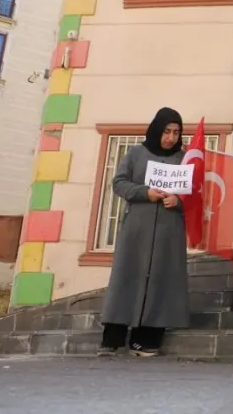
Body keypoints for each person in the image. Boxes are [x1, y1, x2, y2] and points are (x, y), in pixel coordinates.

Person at [98, 108, 189, 357]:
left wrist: (178, 201)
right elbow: (118, 182)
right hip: (137, 228)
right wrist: (144, 193)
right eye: (166, 131)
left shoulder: (185, 158)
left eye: (176, 132)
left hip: (168, 231)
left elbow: (196, 194)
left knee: (161, 278)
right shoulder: (137, 153)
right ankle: (113, 337)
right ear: (156, 130)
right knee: (126, 277)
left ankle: (146, 338)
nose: (170, 138)